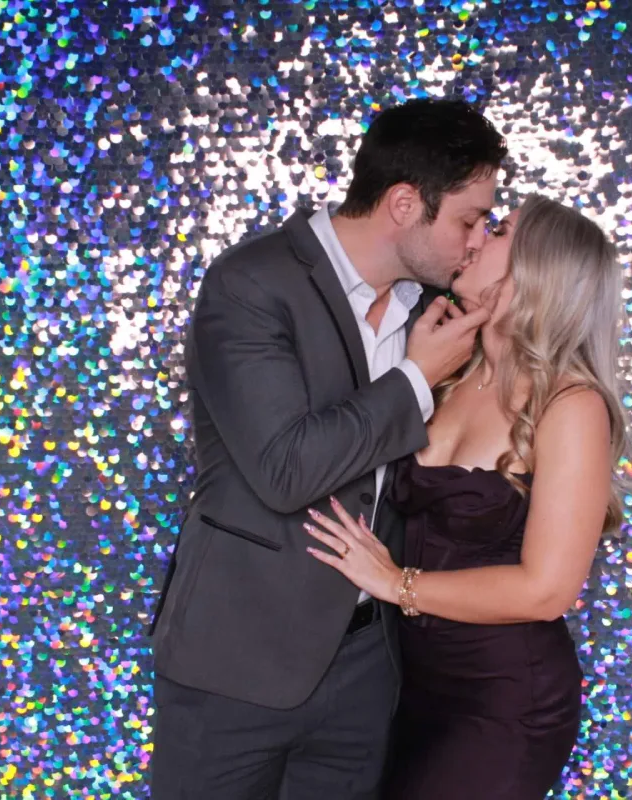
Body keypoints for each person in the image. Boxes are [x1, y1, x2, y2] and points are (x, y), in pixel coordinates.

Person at [148, 98, 507, 799]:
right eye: (468, 219)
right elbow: (287, 470)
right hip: (235, 660)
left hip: (367, 668)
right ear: (405, 204)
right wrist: (416, 379)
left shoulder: (430, 310)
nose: (476, 240)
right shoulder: (251, 284)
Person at [303, 194, 632, 800]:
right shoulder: (449, 370)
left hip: (503, 701)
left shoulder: (570, 404)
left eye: (499, 230)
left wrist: (396, 583)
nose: (475, 237)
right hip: (407, 688)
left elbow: (547, 590)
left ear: (539, 268)